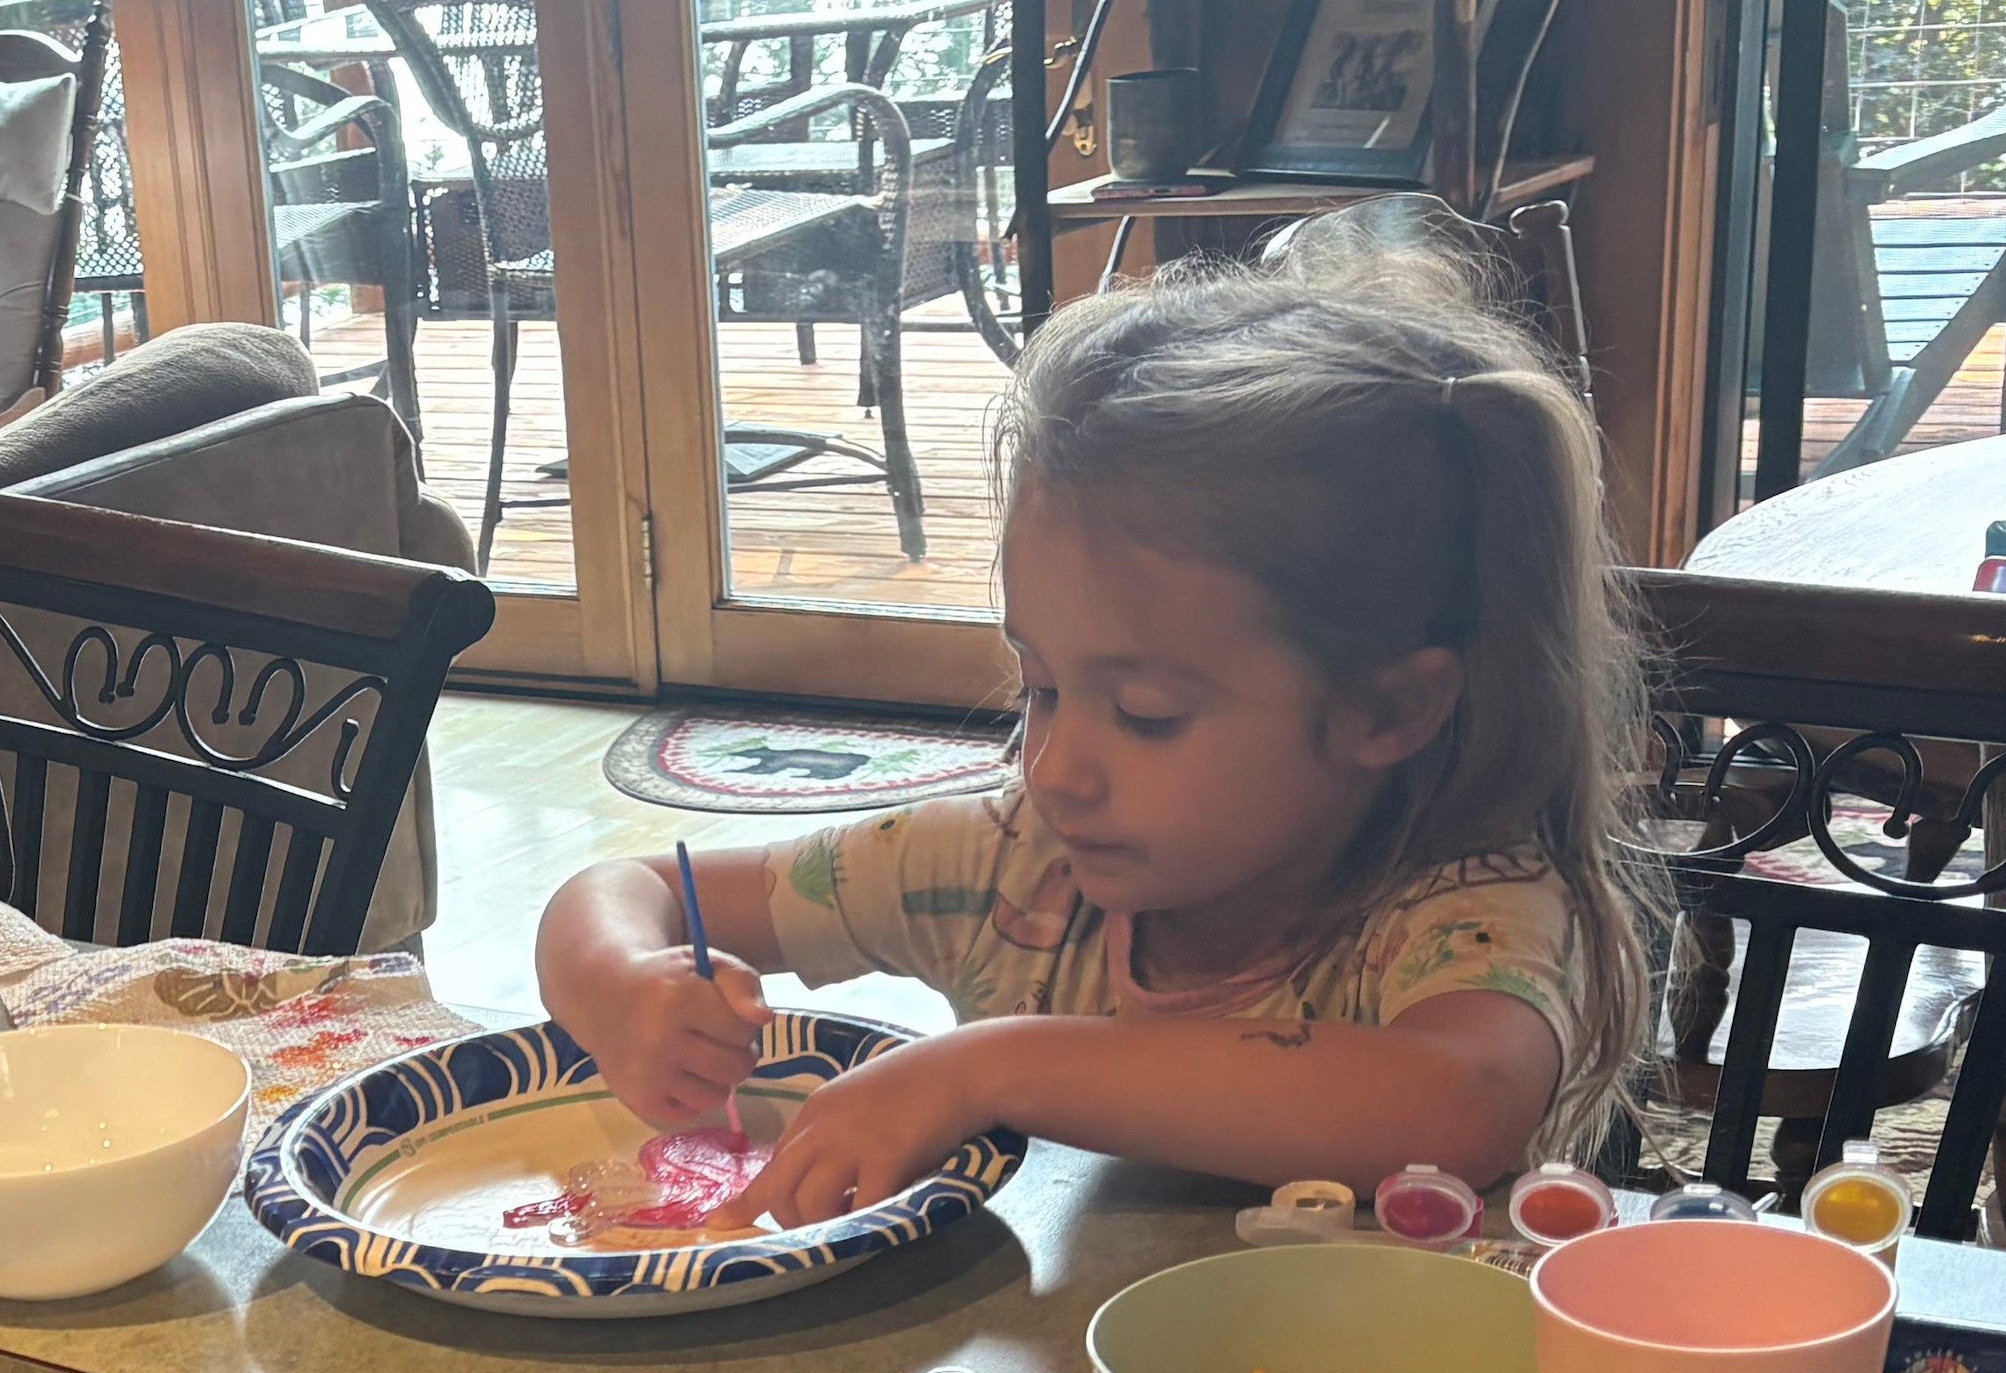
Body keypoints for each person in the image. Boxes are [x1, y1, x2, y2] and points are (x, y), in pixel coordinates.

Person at [534, 249, 1649, 1227]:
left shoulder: (1469, 913)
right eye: (1040, 687)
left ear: (1387, 711)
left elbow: (1451, 1104)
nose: (1054, 768)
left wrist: (990, 1066)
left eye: (1146, 715)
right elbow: (627, 889)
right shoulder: (1003, 866)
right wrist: (624, 987)